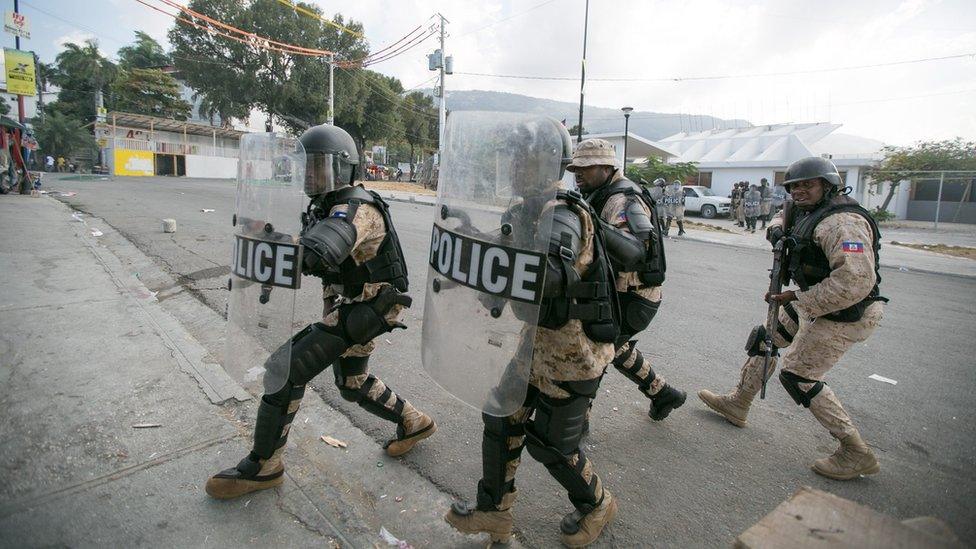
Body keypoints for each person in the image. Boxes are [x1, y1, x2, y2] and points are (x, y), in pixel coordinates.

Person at [206, 124, 436, 500]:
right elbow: (301, 246)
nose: (311, 175)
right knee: (351, 385)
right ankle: (415, 421)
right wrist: (254, 266)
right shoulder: (322, 207)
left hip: (370, 305)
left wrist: (273, 257)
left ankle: (264, 465)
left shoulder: (357, 209)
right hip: (349, 301)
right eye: (307, 167)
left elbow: (317, 252)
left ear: (343, 167)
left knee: (285, 369)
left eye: (320, 166)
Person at [445, 120, 619, 547]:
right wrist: (471, 244)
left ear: (551, 164)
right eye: (516, 157)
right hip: (535, 341)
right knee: (500, 415)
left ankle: (597, 503)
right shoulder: (521, 209)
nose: (519, 166)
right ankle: (495, 511)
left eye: (529, 158)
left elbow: (553, 273)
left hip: (572, 350)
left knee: (551, 445)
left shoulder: (562, 212)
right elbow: (505, 253)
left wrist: (495, 265)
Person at [698, 156, 887, 480]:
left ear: (827, 186)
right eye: (794, 186)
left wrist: (798, 297)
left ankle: (855, 450)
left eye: (807, 185)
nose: (799, 191)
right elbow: (779, 220)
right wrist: (776, 232)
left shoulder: (843, 224)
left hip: (847, 312)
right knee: (766, 339)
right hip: (814, 300)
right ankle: (739, 403)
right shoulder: (806, 211)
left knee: (799, 375)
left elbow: (855, 280)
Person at [573, 139, 684, 421]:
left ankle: (574, 426)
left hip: (634, 296)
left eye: (587, 167)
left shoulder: (623, 199)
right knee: (615, 347)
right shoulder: (600, 193)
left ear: (608, 168)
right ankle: (662, 393)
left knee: (592, 353)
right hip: (620, 292)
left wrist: (593, 225)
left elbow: (634, 251)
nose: (579, 173)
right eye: (576, 167)